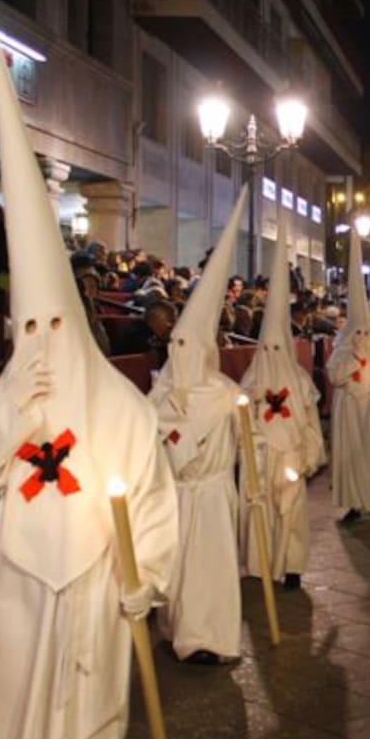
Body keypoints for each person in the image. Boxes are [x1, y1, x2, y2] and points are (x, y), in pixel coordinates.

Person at [0, 41, 177, 739]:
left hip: (86, 580)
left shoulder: (119, 408)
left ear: (76, 325)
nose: (40, 345)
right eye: (26, 331)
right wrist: (11, 406)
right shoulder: (10, 393)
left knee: (82, 708)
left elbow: (150, 497)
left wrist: (143, 577)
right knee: (13, 712)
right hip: (14, 575)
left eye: (53, 329)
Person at [149, 188, 246, 665]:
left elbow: (245, 441)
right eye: (175, 345)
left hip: (209, 493)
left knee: (208, 567)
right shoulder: (158, 395)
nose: (180, 355)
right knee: (178, 568)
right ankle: (176, 628)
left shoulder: (226, 395)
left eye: (191, 346)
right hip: (176, 494)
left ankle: (208, 635)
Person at [240, 225, 325, 586]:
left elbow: (309, 420)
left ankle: (291, 566)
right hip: (260, 453)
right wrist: (248, 406)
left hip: (289, 452)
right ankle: (259, 564)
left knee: (291, 510)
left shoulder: (300, 382)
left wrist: (309, 454)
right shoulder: (251, 379)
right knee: (259, 509)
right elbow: (238, 415)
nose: (273, 357)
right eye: (268, 350)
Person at [327, 230, 370, 522]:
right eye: (359, 332)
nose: (363, 337)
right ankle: (353, 501)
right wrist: (354, 361)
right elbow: (334, 375)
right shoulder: (342, 351)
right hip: (349, 410)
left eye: (368, 332)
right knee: (351, 455)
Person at [113, 300, 176, 366]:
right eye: (171, 321)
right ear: (155, 319)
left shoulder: (147, 331)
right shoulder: (137, 336)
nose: (173, 326)